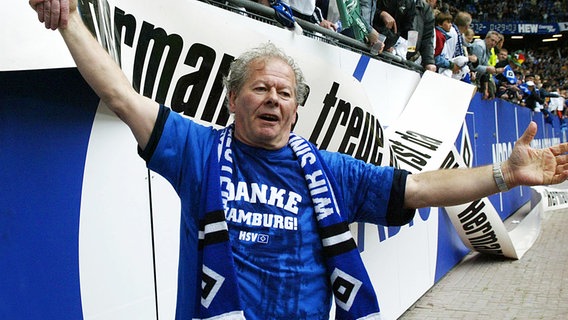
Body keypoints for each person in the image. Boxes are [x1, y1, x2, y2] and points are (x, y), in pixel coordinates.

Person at [30, 0, 568, 319]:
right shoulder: (196, 151)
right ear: (232, 99)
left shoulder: (330, 171)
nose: (273, 99)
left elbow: (418, 190)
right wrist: (70, 18)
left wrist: (505, 175)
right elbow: (123, 98)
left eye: (285, 93)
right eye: (260, 88)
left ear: (296, 111)